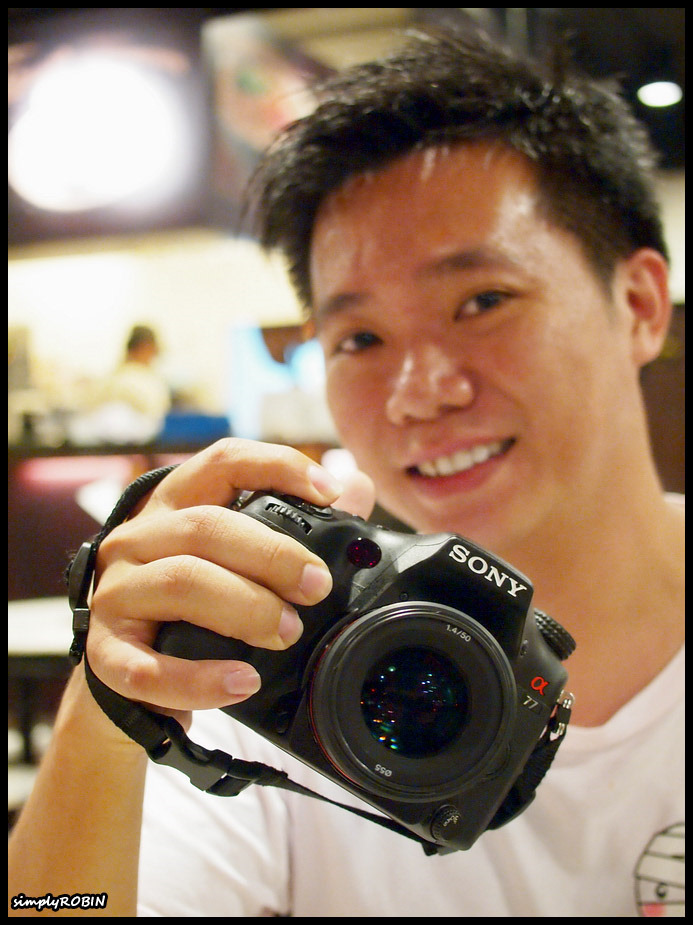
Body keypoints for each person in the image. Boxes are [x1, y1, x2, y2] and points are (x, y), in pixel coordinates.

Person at [8, 26, 684, 917]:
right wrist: (110, 705)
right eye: (359, 337)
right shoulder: (274, 650)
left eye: (482, 300)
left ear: (638, 304)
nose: (417, 391)